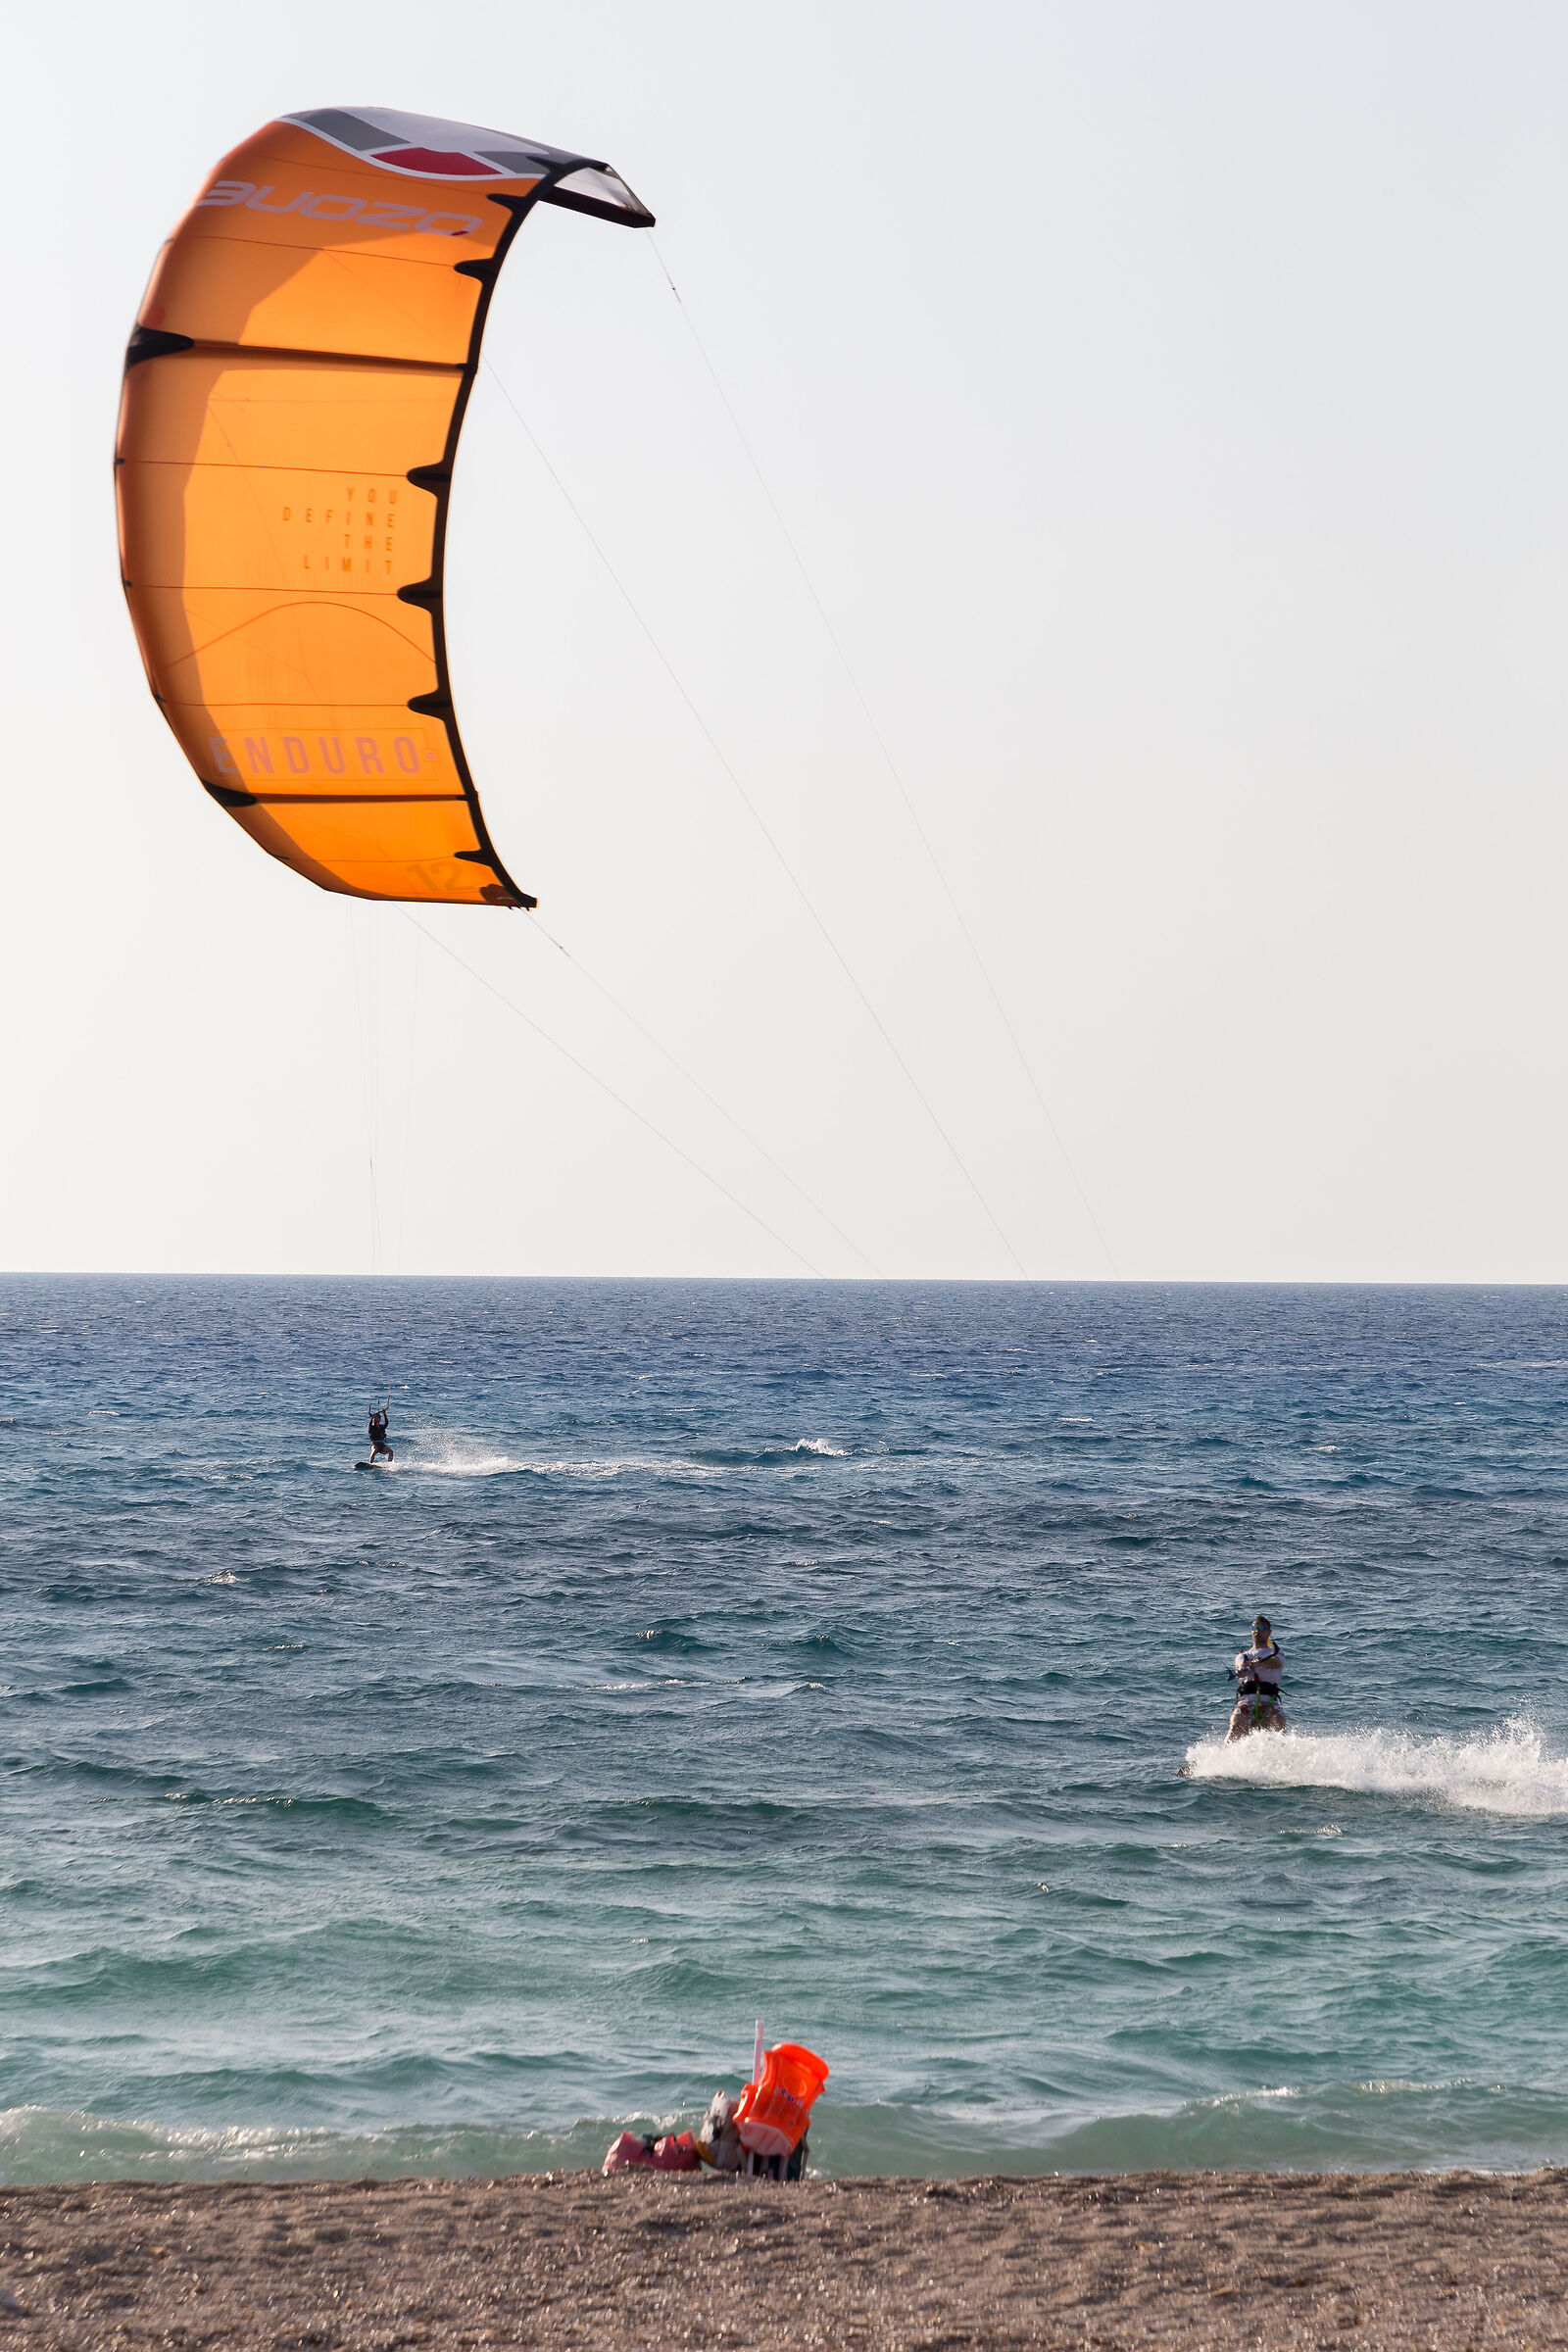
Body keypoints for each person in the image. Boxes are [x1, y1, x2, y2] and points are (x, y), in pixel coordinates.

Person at [1226, 1613, 1285, 1741]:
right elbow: (1240, 1665)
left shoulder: (1276, 1653)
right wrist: (1242, 1669)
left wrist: (1260, 1662)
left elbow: (1276, 1663)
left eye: (1261, 1628)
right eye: (1254, 1628)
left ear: (1269, 1632)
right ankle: (1225, 1754)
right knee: (1236, 1720)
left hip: (1269, 1702)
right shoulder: (1243, 1656)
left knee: (1278, 1722)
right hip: (1247, 1701)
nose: (1257, 1631)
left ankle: (1284, 1757)